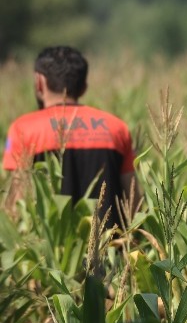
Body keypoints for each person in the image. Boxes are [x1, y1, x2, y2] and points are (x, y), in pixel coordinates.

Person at [2, 46, 140, 230]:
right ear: (83, 88)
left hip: (49, 254)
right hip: (108, 251)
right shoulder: (117, 128)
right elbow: (133, 202)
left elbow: (17, 205)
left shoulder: (23, 129)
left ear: (39, 83)